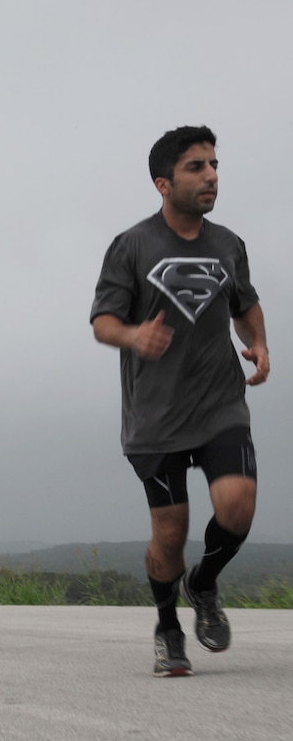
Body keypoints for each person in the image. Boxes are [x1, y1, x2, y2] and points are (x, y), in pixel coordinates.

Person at [90, 125, 270, 677]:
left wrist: (258, 341)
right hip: (156, 417)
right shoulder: (132, 245)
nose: (212, 175)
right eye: (197, 167)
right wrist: (132, 337)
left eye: (214, 164)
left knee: (237, 507)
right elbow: (102, 322)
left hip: (220, 402)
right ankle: (168, 625)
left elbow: (246, 302)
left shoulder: (228, 244)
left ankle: (205, 584)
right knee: (169, 535)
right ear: (163, 183)